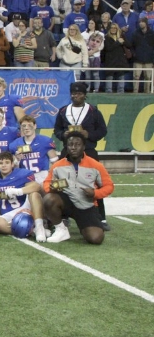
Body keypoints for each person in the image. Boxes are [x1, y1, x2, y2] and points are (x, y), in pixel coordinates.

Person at [52, 81, 109, 229]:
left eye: (78, 93)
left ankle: (100, 217)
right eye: (73, 93)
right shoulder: (64, 111)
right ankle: (64, 216)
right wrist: (62, 135)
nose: (75, 96)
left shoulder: (93, 111)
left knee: (95, 182)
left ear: (84, 95)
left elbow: (102, 131)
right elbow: (56, 129)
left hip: (88, 150)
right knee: (63, 182)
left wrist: (88, 134)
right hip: (68, 150)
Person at [43, 132, 114, 244]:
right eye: (70, 144)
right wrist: (51, 189)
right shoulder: (57, 166)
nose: (74, 147)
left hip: (86, 205)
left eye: (77, 144)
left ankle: (84, 227)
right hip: (66, 202)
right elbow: (47, 183)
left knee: (95, 239)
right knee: (49, 199)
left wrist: (95, 193)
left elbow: (109, 186)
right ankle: (61, 229)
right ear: (66, 147)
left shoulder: (95, 165)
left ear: (84, 147)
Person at [0, 151, 48, 242]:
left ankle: (39, 226)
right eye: (1, 163)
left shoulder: (22, 174)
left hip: (24, 208)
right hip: (8, 213)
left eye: (7, 162)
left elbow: (36, 186)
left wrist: (17, 191)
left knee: (34, 194)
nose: (4, 165)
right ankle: (31, 231)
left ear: (12, 164)